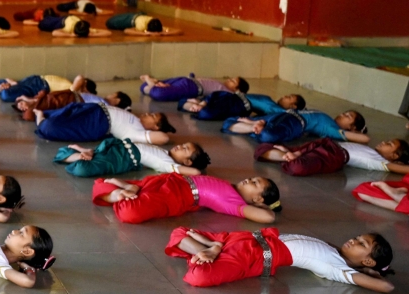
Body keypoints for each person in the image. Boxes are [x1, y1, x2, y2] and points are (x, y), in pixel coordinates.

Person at [165, 228, 395, 291]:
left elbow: (386, 286)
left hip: (253, 256)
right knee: (179, 234)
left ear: (367, 262)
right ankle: (213, 249)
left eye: (361, 245)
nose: (353, 241)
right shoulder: (333, 250)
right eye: (357, 238)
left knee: (198, 277)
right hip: (248, 240)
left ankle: (212, 249)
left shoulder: (338, 268)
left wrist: (370, 274)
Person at [93, 174, 280, 224]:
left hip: (177, 196)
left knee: (131, 213)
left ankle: (120, 192)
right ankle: (124, 190)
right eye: (253, 178)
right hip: (172, 182)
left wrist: (270, 206)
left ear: (257, 200)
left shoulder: (236, 203)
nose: (249, 179)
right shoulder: (230, 186)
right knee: (135, 188)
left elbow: (269, 218)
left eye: (254, 184)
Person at [34, 102, 174, 144]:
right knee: (63, 111)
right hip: (94, 109)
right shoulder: (135, 119)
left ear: (155, 127)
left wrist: (156, 132)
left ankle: (40, 120)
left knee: (51, 127)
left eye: (152, 116)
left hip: (96, 123)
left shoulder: (138, 132)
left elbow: (164, 138)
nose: (147, 114)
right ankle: (40, 114)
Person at [255, 138, 409, 176]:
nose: (383, 142)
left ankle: (288, 156)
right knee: (262, 148)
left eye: (388, 144)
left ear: (394, 156)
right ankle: (288, 155)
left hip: (332, 156)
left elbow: (402, 169)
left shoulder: (380, 162)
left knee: (298, 167)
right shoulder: (371, 150)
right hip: (323, 145)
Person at [56, 140, 209, 178]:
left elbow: (195, 173)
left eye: (185, 149)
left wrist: (198, 168)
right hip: (120, 148)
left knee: (85, 168)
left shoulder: (167, 164)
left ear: (187, 162)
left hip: (123, 158)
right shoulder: (164, 152)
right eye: (183, 145)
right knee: (87, 163)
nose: (180, 146)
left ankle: (83, 152)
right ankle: (86, 152)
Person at [223, 110, 370, 144]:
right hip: (293, 121)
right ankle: (257, 127)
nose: (343, 114)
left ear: (352, 127)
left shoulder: (331, 128)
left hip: (285, 117)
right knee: (268, 136)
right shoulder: (329, 123)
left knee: (229, 122)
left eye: (348, 116)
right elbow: (365, 138)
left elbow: (364, 138)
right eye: (346, 112)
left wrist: (353, 133)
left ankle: (253, 126)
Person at [178, 92, 304, 121]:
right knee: (214, 96)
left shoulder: (279, 110)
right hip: (234, 97)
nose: (284, 97)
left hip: (239, 105)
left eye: (288, 98)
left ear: (293, 106)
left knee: (207, 112)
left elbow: (291, 115)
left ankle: (198, 105)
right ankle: (200, 103)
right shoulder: (269, 99)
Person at [140, 74, 248, 102]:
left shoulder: (228, 92)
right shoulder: (222, 86)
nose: (229, 80)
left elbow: (240, 97)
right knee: (153, 92)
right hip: (189, 82)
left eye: (233, 81)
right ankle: (158, 85)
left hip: (191, 86)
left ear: (237, 89)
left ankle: (155, 83)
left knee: (146, 89)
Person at [0, 74, 89, 102]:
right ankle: (9, 86)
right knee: (6, 95)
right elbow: (80, 77)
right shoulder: (71, 88)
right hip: (39, 85)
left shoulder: (70, 88)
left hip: (35, 81)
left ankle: (9, 84)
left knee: (0, 82)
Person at [105, 12, 180, 36]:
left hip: (139, 15)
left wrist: (164, 33)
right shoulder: (141, 26)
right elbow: (126, 30)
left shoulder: (157, 25)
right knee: (110, 22)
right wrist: (146, 34)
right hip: (129, 20)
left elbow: (179, 31)